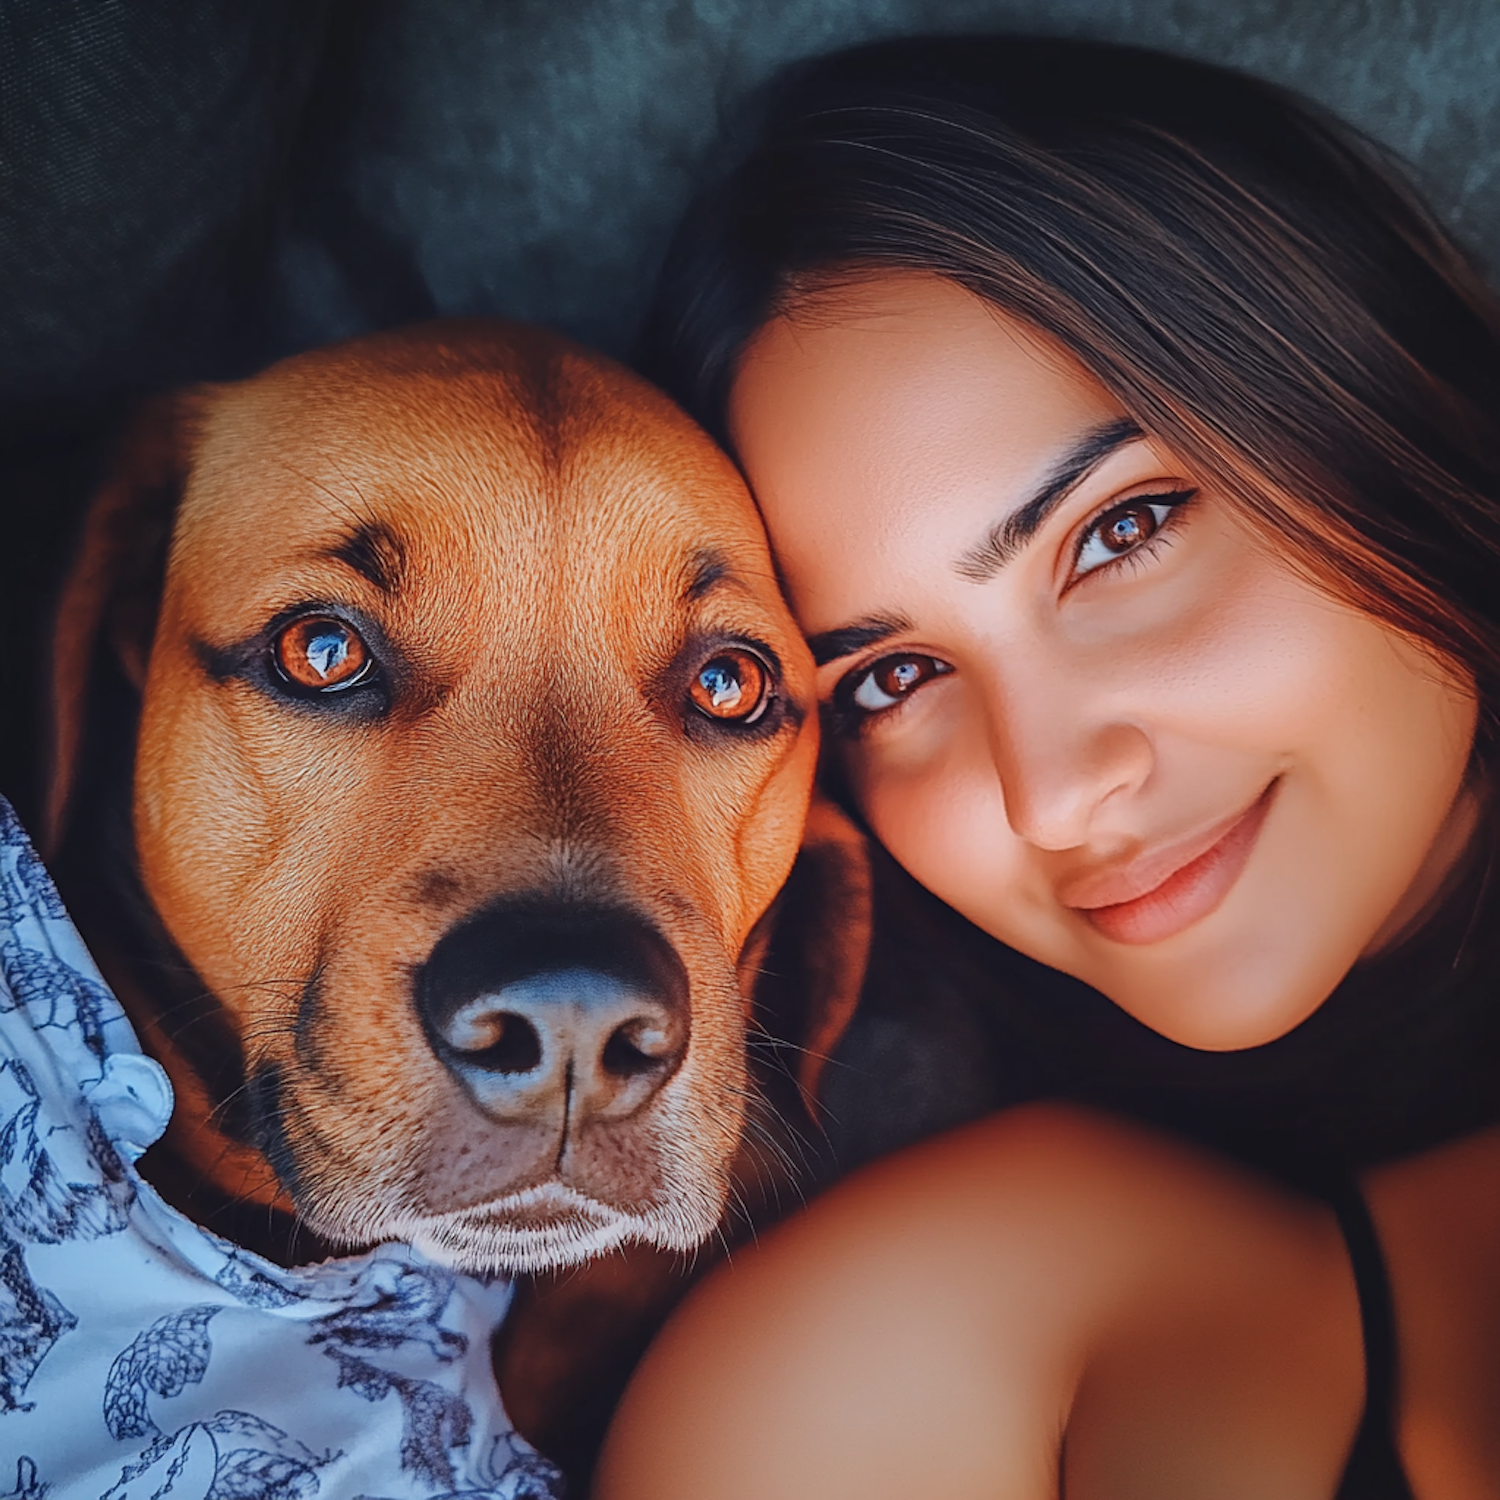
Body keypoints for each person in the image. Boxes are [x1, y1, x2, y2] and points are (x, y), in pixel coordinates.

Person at [595, 35, 1500, 1498]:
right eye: (893, 678)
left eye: (1120, 534)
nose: (1053, 794)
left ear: (1366, 394)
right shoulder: (926, 1340)